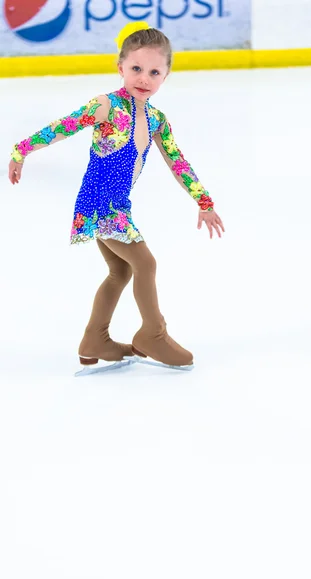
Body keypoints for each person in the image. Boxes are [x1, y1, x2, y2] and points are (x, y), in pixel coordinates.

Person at [8, 21, 225, 369]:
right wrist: (21, 150)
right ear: (120, 66)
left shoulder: (157, 119)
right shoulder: (106, 105)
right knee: (145, 263)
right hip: (98, 204)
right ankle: (152, 334)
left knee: (120, 272)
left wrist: (205, 202)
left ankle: (96, 338)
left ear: (165, 77)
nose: (143, 78)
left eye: (154, 72)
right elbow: (63, 127)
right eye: (136, 68)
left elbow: (177, 162)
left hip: (117, 205)